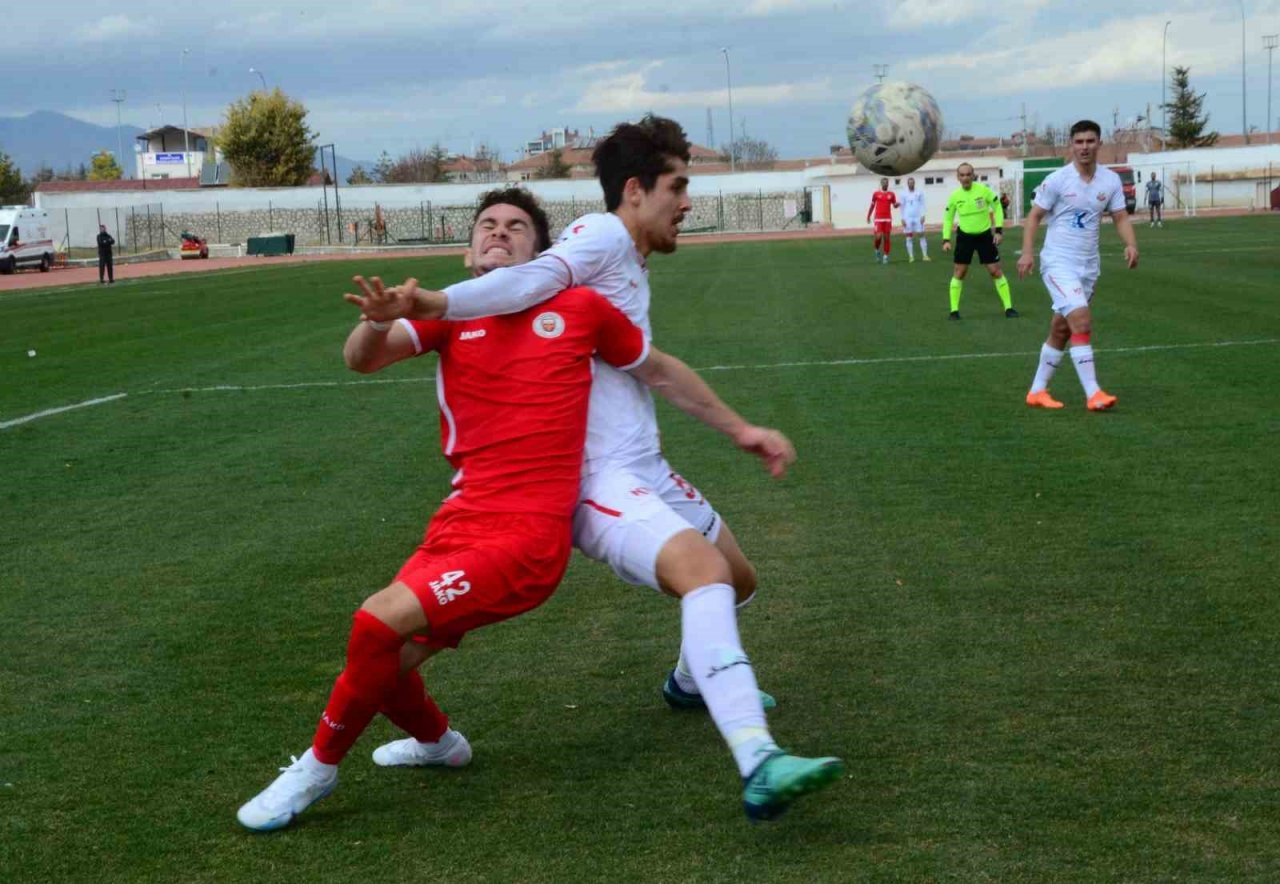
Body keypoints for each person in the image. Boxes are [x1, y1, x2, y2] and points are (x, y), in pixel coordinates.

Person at [382, 115, 843, 821]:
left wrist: (742, 429)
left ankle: (692, 685)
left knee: (738, 580)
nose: (687, 201)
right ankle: (759, 758)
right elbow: (525, 283)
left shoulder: (625, 258)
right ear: (635, 190)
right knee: (705, 576)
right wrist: (438, 302)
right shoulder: (598, 236)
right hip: (595, 478)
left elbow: (655, 370)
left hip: (644, 465)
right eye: (677, 185)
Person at [236, 189, 657, 831]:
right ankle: (439, 744)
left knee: (375, 625)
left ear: (543, 253)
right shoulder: (449, 315)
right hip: (460, 521)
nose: (499, 232)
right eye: (487, 225)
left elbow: (656, 367)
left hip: (527, 539)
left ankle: (316, 771)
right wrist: (376, 321)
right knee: (378, 665)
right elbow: (362, 359)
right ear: (467, 253)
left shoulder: (579, 306)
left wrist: (737, 428)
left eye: (517, 227)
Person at [1018, 120, 1139, 411]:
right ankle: (1093, 392)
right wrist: (1027, 253)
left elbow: (1120, 217)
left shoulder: (1109, 181)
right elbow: (1034, 217)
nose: (1084, 147)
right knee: (1081, 321)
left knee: (1061, 329)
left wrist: (1131, 244)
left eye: (1090, 141)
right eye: (1079, 142)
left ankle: (1037, 391)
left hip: (1088, 266)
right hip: (1058, 263)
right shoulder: (1058, 179)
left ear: (1099, 143)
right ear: (1071, 145)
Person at [941, 163, 1016, 319]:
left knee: (995, 271)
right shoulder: (955, 196)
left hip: (984, 236)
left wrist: (999, 230)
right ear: (958, 177)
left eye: (968, 174)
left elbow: (997, 208)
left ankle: (1009, 308)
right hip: (965, 237)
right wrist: (946, 239)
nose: (965, 178)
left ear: (973, 175)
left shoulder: (984, 191)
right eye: (962, 175)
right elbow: (948, 219)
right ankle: (954, 311)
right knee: (959, 272)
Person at [898, 176, 930, 263]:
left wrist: (923, 215)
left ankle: (925, 255)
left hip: (918, 217)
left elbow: (923, 204)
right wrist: (902, 218)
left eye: (912, 182)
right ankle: (911, 257)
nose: (911, 184)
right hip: (907, 218)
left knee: (921, 235)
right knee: (909, 237)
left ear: (914, 183)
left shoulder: (919, 192)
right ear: (908, 184)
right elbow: (902, 207)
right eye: (910, 182)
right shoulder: (903, 194)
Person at [866, 177, 898, 264]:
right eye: (884, 182)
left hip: (887, 219)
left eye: (886, 183)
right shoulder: (876, 194)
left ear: (888, 184)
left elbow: (894, 205)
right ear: (881, 183)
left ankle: (885, 256)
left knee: (887, 238)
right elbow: (872, 205)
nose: (885, 184)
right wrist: (868, 216)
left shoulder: (891, 194)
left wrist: (898, 204)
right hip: (878, 218)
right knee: (878, 236)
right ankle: (877, 250)